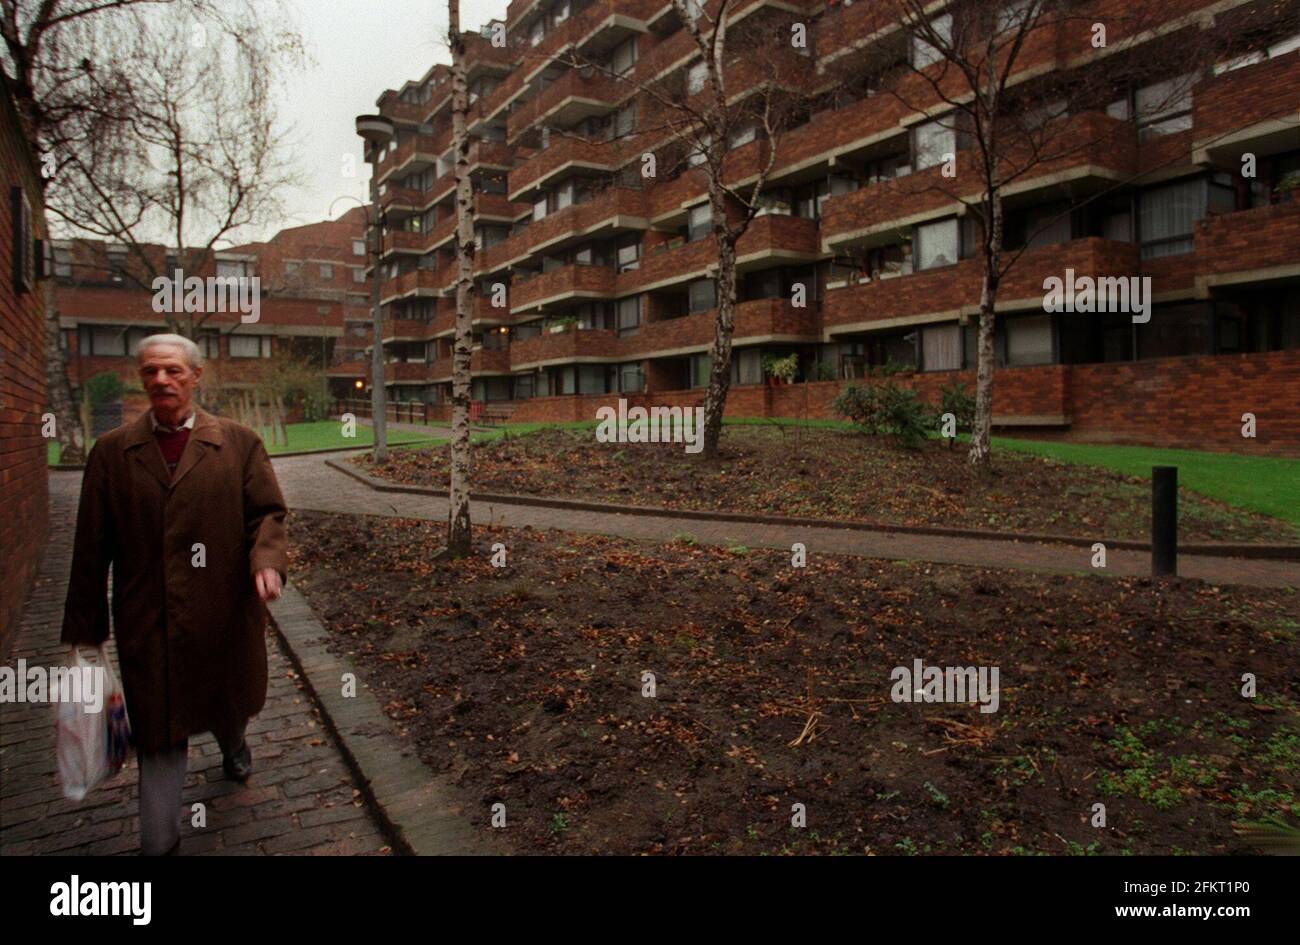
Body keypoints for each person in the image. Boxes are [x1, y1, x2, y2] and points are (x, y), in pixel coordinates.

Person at [60, 333, 288, 855]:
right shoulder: (113, 453)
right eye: (151, 372)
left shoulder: (238, 442)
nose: (161, 380)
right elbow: (90, 547)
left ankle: (233, 743)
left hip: (222, 612)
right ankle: (159, 844)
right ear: (141, 379)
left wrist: (267, 562)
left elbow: (267, 513)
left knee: (228, 701)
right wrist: (84, 633)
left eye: (172, 371)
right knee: (159, 732)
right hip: (149, 622)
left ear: (195, 376)